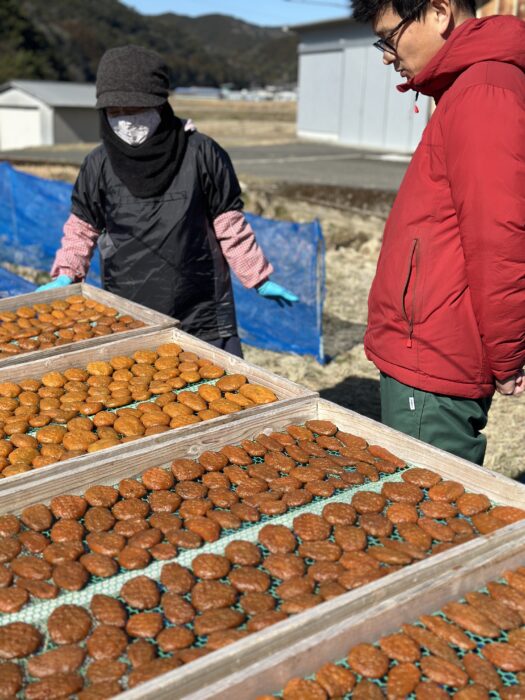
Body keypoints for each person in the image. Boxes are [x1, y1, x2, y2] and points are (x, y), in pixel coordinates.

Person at [37, 45, 298, 357]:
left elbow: (229, 223)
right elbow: (82, 226)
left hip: (201, 307)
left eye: (135, 110)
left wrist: (257, 277)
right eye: (115, 113)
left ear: (159, 106)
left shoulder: (201, 153)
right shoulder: (99, 164)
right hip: (128, 308)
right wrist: (67, 272)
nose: (126, 122)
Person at [352, 0, 525, 464]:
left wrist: (508, 354)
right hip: (430, 341)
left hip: (435, 353)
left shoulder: (483, 91)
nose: (387, 54)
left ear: (439, 11)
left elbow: (499, 241)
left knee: (432, 517)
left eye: (390, 36)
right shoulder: (472, 86)